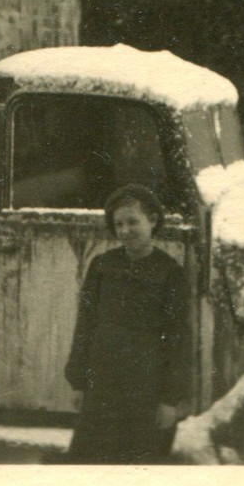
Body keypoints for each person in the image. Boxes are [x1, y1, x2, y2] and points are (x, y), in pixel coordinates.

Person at [64, 184, 190, 463]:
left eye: (133, 222)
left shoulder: (170, 273)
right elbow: (85, 325)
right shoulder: (101, 266)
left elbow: (178, 338)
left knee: (139, 469)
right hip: (102, 386)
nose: (125, 230)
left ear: (153, 221)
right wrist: (79, 382)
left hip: (146, 388)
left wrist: (170, 400)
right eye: (118, 224)